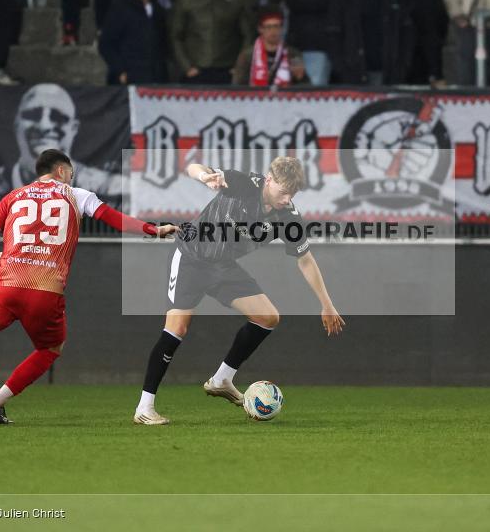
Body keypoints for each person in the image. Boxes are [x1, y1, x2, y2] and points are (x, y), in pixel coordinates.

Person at [0, 149, 179, 426]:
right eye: (71, 174)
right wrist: (154, 230)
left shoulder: (13, 196)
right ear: (62, 171)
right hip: (46, 290)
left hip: (6, 284)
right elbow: (115, 219)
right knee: (50, 348)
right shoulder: (77, 195)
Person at [133, 157, 345, 425]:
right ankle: (144, 407)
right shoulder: (245, 184)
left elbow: (305, 259)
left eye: (292, 193)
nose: (286, 198)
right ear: (269, 180)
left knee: (268, 317)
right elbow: (192, 167)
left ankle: (221, 380)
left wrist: (326, 304)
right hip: (190, 257)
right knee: (177, 328)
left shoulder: (287, 217)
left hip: (221, 267)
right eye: (283, 191)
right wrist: (205, 177)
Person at [0, 84, 127, 212]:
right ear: (16, 124)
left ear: (74, 129)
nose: (44, 126)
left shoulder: (105, 189)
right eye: (33, 114)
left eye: (58, 117)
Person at [169, 0, 254, 84]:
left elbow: (248, 34)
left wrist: (239, 67)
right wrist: (187, 67)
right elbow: (176, 36)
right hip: (196, 70)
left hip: (228, 70)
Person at [99, 0, 168, 84]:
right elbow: (106, 44)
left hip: (154, 80)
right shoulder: (120, 8)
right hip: (129, 80)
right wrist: (120, 72)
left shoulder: (158, 11)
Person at [232, 9, 307, 86]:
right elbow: (238, 85)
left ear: (281, 29)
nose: (273, 31)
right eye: (268, 27)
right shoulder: (247, 55)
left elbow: (306, 85)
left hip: (284, 96)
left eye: (276, 26)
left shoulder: (293, 54)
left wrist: (300, 77)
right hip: (256, 97)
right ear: (260, 29)